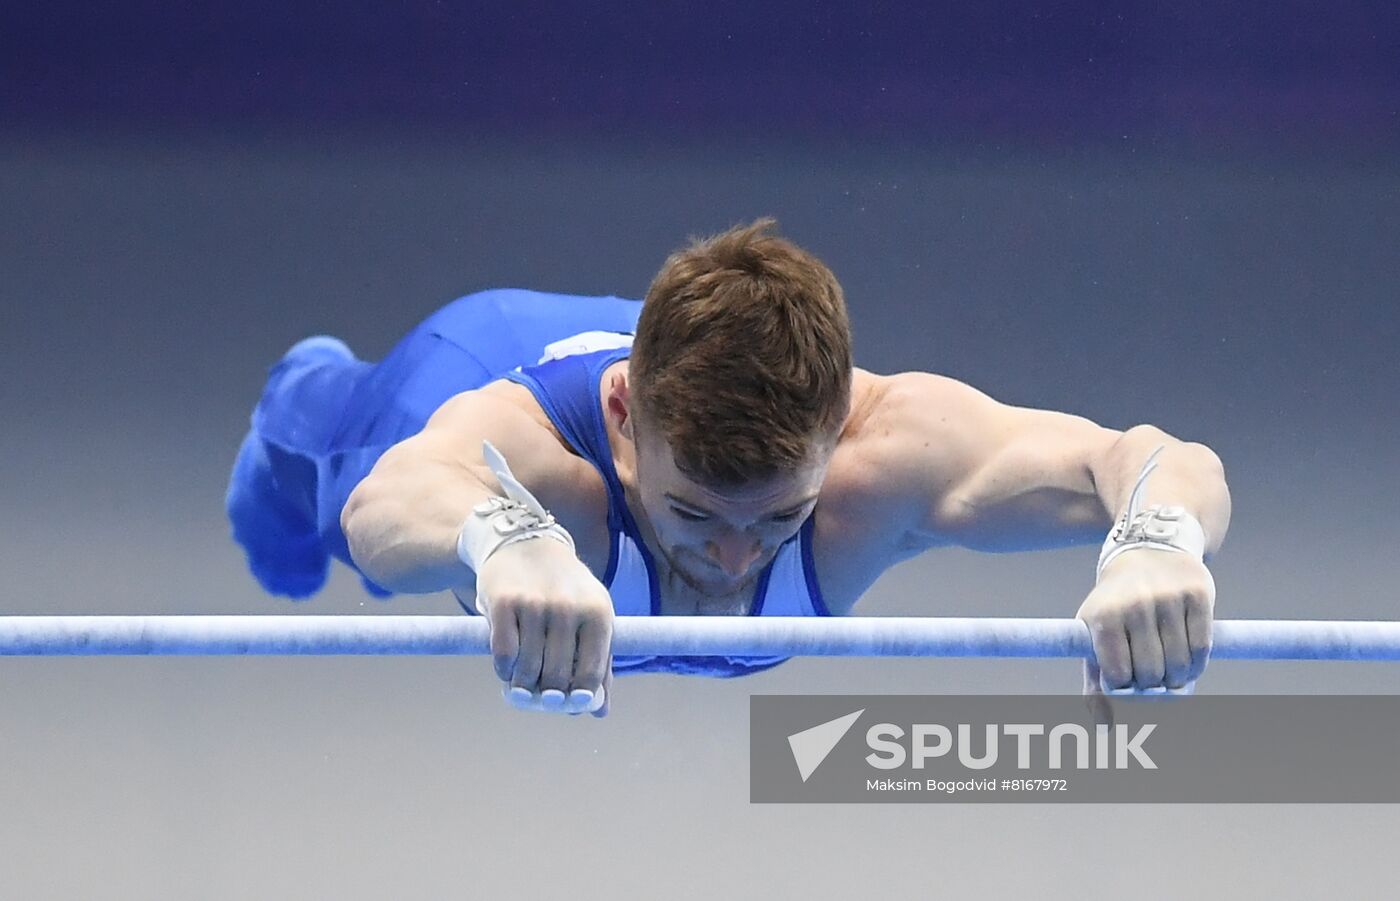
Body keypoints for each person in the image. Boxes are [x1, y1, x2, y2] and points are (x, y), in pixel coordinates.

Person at [227, 219, 1231, 717]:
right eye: (695, 515)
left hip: (683, 382)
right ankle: (303, 389)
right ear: (623, 416)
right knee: (316, 517)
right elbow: (384, 508)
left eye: (778, 516)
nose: (737, 555)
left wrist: (1154, 541)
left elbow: (1142, 458)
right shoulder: (546, 460)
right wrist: (505, 539)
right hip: (481, 356)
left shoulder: (883, 460)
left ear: (833, 428)